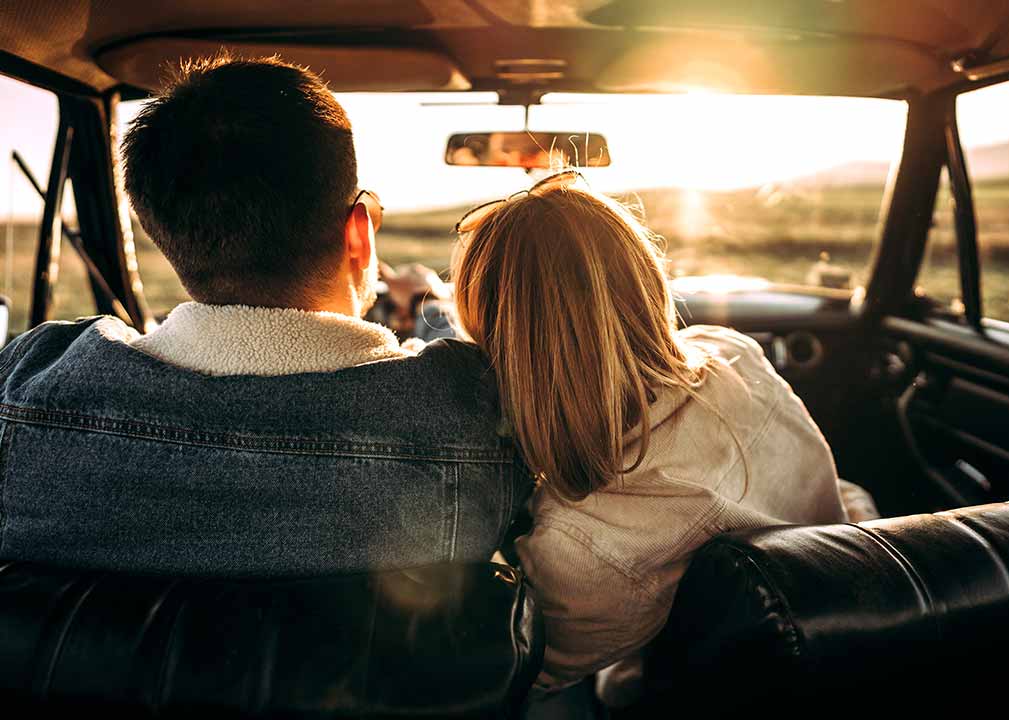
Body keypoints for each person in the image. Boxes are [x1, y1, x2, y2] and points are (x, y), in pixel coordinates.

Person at [0, 55, 531, 575]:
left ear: (169, 235)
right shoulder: (477, 413)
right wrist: (429, 308)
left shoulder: (28, 385)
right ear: (359, 232)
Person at [451, 171, 879, 705]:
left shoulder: (586, 550)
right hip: (852, 630)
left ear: (501, 350)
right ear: (643, 282)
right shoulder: (732, 353)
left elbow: (521, 675)